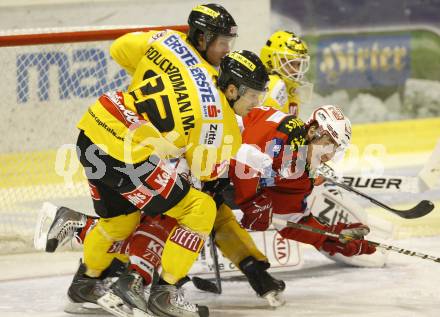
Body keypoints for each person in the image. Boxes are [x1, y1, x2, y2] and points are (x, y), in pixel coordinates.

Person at [66, 50, 269, 317]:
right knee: (200, 208)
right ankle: (166, 294)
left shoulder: (200, 71)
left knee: (120, 221)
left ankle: (86, 283)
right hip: (125, 153)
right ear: (232, 89)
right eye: (253, 95)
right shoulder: (222, 122)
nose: (257, 102)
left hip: (94, 128)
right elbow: (202, 172)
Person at [229, 105, 377, 258]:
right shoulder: (280, 131)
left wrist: (328, 236)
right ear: (313, 131)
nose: (329, 156)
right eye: (328, 144)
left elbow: (290, 218)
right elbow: (240, 155)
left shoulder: (302, 176)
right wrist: (252, 202)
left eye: (335, 150)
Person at [260, 30, 311, 116]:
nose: (296, 70)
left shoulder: (290, 88)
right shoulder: (273, 85)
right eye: (290, 63)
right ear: (271, 60)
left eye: (298, 64)